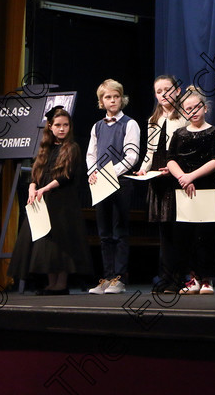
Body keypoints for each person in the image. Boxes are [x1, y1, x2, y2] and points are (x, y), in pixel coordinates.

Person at [8, 107, 93, 294]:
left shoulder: (72, 148)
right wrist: (33, 187)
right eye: (58, 125)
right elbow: (36, 173)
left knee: (61, 243)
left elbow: (66, 176)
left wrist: (45, 188)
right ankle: (50, 282)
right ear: (50, 126)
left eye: (66, 125)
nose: (62, 129)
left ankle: (61, 284)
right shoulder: (44, 149)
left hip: (62, 201)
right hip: (43, 200)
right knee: (45, 242)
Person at [86, 79, 141, 294]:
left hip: (121, 182)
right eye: (108, 97)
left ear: (122, 98)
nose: (112, 100)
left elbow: (132, 155)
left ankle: (119, 278)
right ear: (102, 101)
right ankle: (107, 277)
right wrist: (93, 173)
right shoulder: (97, 126)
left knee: (120, 230)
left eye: (116, 96)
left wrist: (111, 173)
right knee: (104, 232)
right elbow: (91, 153)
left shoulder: (130, 124)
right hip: (101, 183)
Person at [166, 86, 215, 295]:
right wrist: (182, 177)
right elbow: (171, 159)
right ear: (183, 112)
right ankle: (193, 278)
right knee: (185, 235)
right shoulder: (179, 134)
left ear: (205, 108)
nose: (193, 111)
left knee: (206, 234)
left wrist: (192, 176)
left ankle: (207, 279)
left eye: (197, 107)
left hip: (205, 188)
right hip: (183, 189)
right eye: (188, 109)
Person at [137, 75, 186, 291]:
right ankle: (165, 276)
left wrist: (175, 169)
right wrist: (143, 169)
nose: (163, 94)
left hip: (176, 174)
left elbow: (185, 150)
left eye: (168, 89)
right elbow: (150, 151)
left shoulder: (184, 116)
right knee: (164, 230)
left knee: (178, 229)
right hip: (158, 176)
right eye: (159, 91)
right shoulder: (152, 120)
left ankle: (178, 278)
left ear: (177, 91)